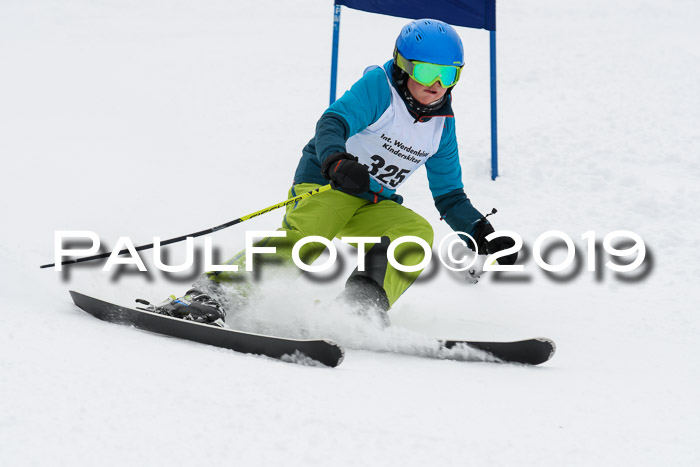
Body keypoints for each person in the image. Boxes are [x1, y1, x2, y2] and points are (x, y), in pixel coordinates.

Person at [153, 18, 517, 327]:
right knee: (310, 238)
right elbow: (332, 122)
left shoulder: (442, 126)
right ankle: (211, 294)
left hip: (372, 201)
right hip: (326, 184)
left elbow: (449, 194)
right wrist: (337, 162)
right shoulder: (379, 88)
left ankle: (361, 306)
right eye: (426, 71)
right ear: (404, 65)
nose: (436, 84)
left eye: (449, 74)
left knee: (415, 232)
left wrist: (481, 231)